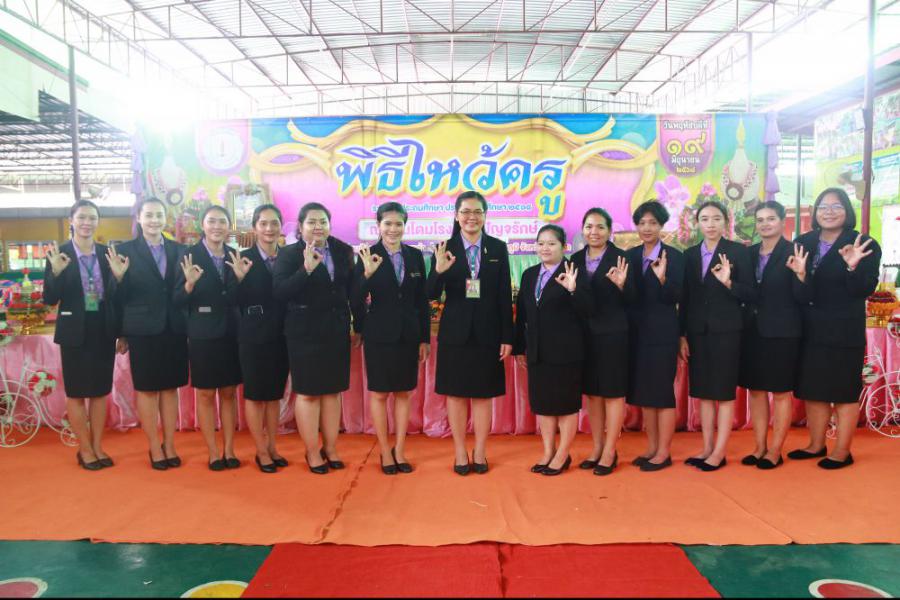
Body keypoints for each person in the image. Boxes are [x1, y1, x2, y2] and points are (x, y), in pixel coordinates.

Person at [792, 188, 881, 469]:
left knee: (843, 391)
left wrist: (852, 267)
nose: (829, 212)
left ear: (847, 211)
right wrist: (801, 276)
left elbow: (864, 289)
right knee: (814, 390)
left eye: (836, 206)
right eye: (823, 207)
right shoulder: (803, 242)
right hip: (809, 329)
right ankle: (816, 445)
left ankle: (842, 451)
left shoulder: (863, 243)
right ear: (815, 212)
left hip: (844, 329)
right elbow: (798, 294)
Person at [427, 191, 514, 475]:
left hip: (488, 332)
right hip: (455, 332)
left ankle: (480, 451)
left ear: (485, 216)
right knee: (455, 395)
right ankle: (459, 451)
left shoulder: (498, 248)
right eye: (465, 212)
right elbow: (430, 294)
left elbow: (504, 296)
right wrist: (438, 271)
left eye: (477, 212)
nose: (471, 217)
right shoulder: (444, 248)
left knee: (483, 395)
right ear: (456, 215)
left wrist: (507, 336)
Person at [273, 202, 355, 474]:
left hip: (336, 330)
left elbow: (350, 291)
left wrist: (358, 324)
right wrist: (306, 269)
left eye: (323, 221)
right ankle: (311, 451)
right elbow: (280, 292)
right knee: (308, 394)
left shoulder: (343, 250)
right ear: (300, 226)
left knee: (332, 392)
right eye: (312, 222)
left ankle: (330, 448)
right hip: (304, 332)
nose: (318, 227)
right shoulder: (289, 254)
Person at [107, 197, 188, 471]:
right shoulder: (124, 250)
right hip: (142, 329)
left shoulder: (180, 250)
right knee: (147, 389)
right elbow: (116, 298)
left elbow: (181, 290)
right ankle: (154, 445)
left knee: (170, 388)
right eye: (149, 215)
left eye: (159, 215)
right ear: (139, 218)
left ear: (166, 218)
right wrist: (118, 278)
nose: (154, 220)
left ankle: (170, 444)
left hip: (174, 327)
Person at [352, 202, 430, 475]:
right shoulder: (367, 254)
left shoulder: (415, 256)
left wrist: (424, 338)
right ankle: (385, 451)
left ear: (405, 226)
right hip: (378, 334)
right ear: (378, 226)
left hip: (408, 334)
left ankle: (400, 449)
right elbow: (355, 297)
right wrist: (366, 275)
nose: (393, 229)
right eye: (388, 224)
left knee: (403, 392)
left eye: (398, 224)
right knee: (380, 393)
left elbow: (421, 300)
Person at [42, 200, 119, 470]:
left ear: (98, 221)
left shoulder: (107, 253)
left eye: (92, 218)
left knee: (99, 392)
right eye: (82, 217)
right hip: (74, 329)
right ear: (71, 221)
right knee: (76, 393)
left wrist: (120, 278)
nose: (87, 223)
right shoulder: (59, 253)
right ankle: (84, 449)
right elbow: (49, 298)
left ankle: (97, 446)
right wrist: (55, 272)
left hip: (103, 328)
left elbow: (116, 296)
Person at [680, 201, 755, 472]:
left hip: (727, 331)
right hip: (697, 332)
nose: (710, 224)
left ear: (725, 222)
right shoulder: (689, 255)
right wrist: (682, 335)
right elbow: (685, 299)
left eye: (716, 219)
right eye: (705, 219)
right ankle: (707, 447)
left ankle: (720, 452)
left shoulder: (737, 252)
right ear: (697, 223)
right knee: (703, 393)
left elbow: (751, 293)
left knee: (723, 393)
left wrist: (729, 282)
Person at [514, 225, 590, 476]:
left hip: (567, 351)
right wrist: (520, 347)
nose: (545, 248)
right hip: (537, 351)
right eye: (541, 243)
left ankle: (562, 454)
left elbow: (588, 310)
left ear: (563, 247)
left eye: (551, 243)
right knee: (543, 404)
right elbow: (522, 314)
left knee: (566, 405)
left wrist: (573, 290)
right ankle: (548, 452)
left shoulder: (574, 271)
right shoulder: (529, 274)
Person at [173, 205, 243, 471]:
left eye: (222, 221)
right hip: (202, 333)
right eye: (212, 221)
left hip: (231, 332)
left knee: (229, 392)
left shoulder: (235, 255)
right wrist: (189, 284)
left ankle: (229, 449)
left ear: (228, 226)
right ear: (203, 225)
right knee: (205, 394)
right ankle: (213, 452)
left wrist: (241, 280)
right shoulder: (188, 255)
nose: (217, 226)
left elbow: (237, 298)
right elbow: (177, 299)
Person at [739, 201, 808, 470]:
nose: (765, 224)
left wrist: (801, 275)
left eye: (770, 218)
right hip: (751, 331)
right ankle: (759, 447)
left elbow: (803, 297)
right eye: (760, 220)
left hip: (783, 332)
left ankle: (776, 450)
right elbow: (747, 292)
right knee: (756, 391)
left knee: (780, 393)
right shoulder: (749, 253)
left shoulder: (795, 251)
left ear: (782, 221)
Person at [570, 208, 633, 476]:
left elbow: (635, 300)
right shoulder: (574, 259)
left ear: (609, 231)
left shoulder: (621, 258)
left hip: (613, 335)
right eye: (589, 227)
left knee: (612, 392)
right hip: (584, 335)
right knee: (593, 394)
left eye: (600, 227)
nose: (593, 232)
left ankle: (610, 450)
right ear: (582, 230)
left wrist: (622, 286)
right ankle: (596, 447)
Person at [230, 204, 290, 474]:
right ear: (254, 227)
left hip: (282, 334)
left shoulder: (288, 257)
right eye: (263, 223)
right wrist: (238, 279)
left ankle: (273, 446)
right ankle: (260, 450)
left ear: (281, 226)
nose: (269, 228)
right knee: (255, 395)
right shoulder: (242, 259)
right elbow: (230, 299)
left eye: (274, 223)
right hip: (253, 335)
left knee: (274, 395)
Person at [625, 201, 684, 472]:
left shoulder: (675, 257)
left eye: (652, 223)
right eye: (642, 223)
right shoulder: (630, 256)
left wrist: (662, 279)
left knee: (662, 393)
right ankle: (651, 447)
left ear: (661, 225)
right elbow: (628, 297)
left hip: (663, 333)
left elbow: (678, 296)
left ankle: (664, 452)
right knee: (645, 393)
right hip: (637, 334)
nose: (647, 228)